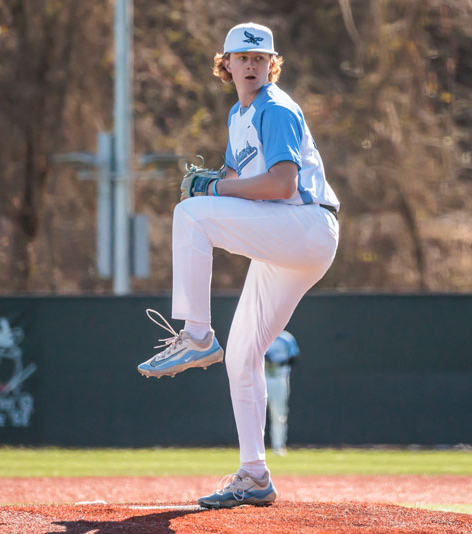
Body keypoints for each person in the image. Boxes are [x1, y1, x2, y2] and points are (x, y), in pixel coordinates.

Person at [137, 21, 340, 509]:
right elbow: (232, 177)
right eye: (241, 58)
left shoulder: (276, 108)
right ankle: (254, 475)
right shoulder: (238, 114)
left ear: (272, 64)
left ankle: (199, 334)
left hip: (305, 225)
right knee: (243, 356)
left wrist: (213, 190)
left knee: (190, 216)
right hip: (286, 241)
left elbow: (283, 184)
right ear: (224, 65)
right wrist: (215, 181)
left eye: (259, 58)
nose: (250, 66)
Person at [264, 330, 300, 456]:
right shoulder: (261, 335)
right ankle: (254, 449)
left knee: (279, 414)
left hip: (279, 378)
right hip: (262, 378)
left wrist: (277, 362)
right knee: (256, 415)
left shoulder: (286, 338)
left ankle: (278, 446)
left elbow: (293, 357)